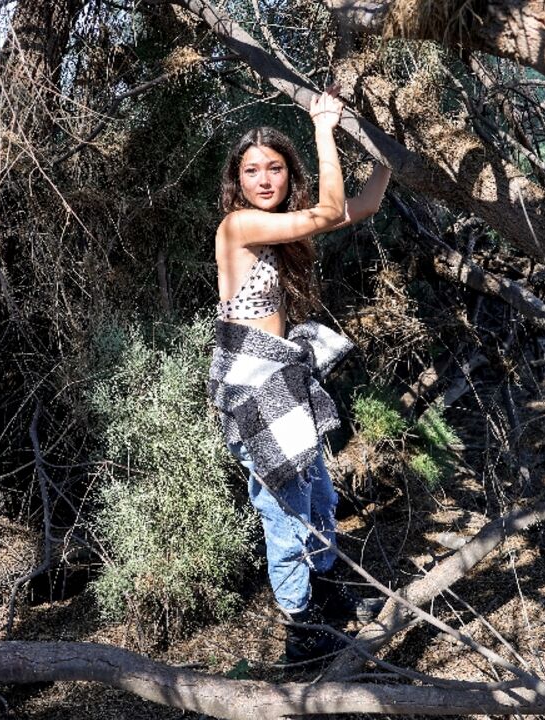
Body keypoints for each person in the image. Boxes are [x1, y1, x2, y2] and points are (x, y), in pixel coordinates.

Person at [207, 88, 391, 665]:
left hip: (281, 381)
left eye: (275, 168)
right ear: (238, 181)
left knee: (317, 494)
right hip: (251, 385)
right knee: (282, 507)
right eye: (253, 170)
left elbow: (360, 205)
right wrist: (323, 127)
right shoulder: (239, 225)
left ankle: (329, 595)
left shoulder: (278, 226)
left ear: (288, 175)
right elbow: (333, 211)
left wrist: (388, 155)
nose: (265, 179)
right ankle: (299, 627)